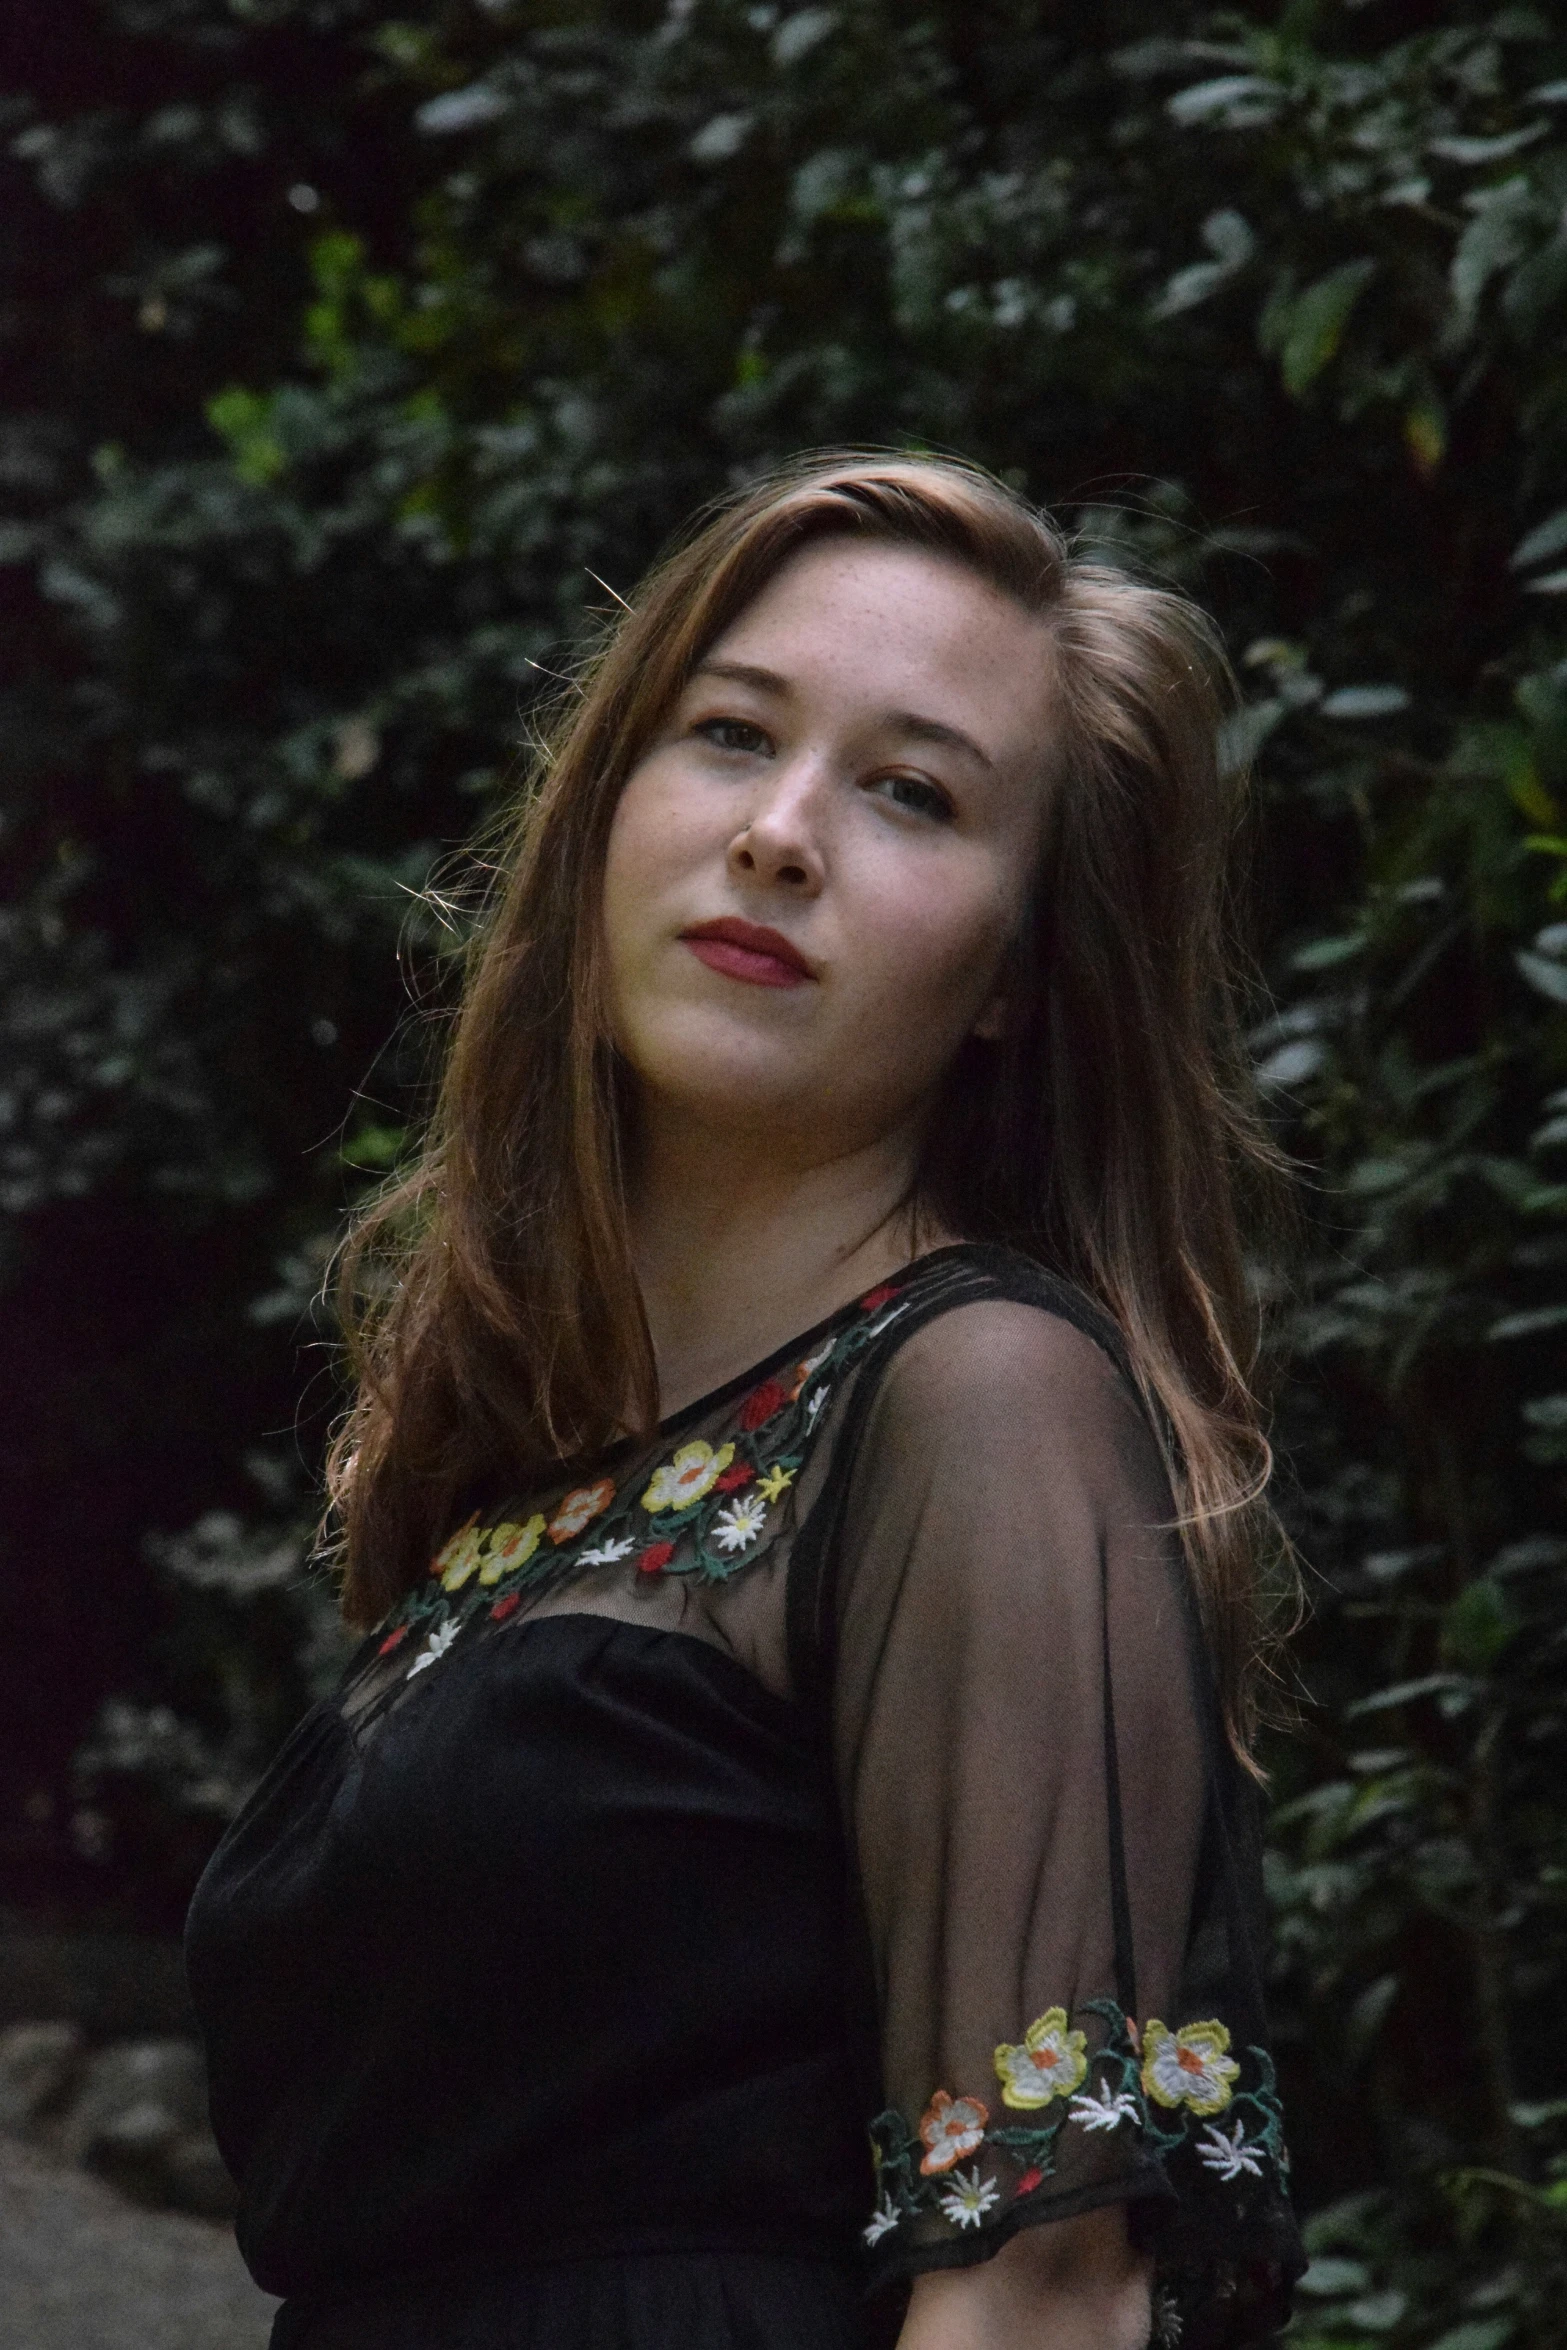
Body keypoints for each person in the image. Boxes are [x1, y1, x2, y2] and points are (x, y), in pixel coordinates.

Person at [183, 452, 1306, 2350]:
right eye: (728, 734)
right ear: (607, 801)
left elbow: (1037, 2287)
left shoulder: (982, 1399)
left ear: (1013, 976)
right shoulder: (541, 1476)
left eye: (911, 793)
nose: (783, 832)